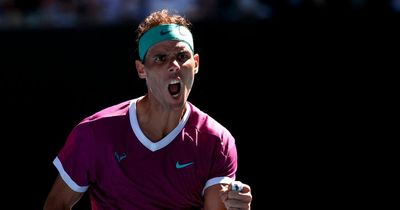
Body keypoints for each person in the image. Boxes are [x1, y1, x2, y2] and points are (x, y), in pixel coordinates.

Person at [44, 9, 252, 210]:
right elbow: (56, 204)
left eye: (181, 56)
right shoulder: (94, 133)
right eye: (160, 58)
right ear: (141, 69)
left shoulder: (217, 141)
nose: (174, 66)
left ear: (195, 63)